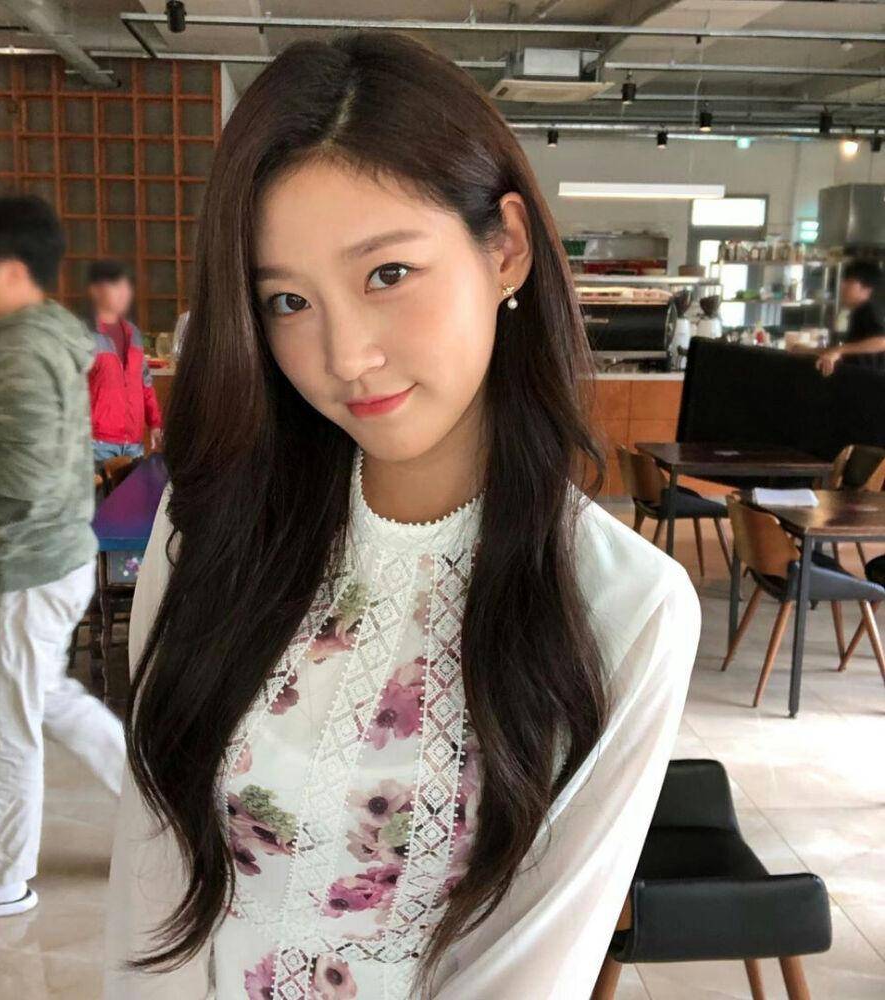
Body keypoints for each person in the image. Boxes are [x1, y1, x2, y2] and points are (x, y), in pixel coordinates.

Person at [105, 33, 701, 1000]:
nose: (345, 356)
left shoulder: (624, 606)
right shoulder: (211, 525)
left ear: (505, 248)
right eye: (288, 300)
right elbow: (153, 879)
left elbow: (531, 971)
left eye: (387, 274)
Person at [0, 195, 125, 924]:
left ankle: (3, 879)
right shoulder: (40, 334)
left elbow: (28, 473)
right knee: (46, 698)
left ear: (11, 269)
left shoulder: (16, 349)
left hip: (22, 563)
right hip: (47, 554)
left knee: (4, 723)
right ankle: (160, 817)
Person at [86, 259, 163, 467]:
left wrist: (155, 424)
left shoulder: (134, 333)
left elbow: (145, 385)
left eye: (125, 286)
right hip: (98, 444)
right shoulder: (85, 334)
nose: (123, 292)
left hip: (134, 444)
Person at [813, 260, 885, 376]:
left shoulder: (869, 311)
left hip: (869, 381)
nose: (842, 285)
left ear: (866, 289)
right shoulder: (860, 311)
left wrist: (839, 350)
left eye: (849, 281)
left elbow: (882, 342)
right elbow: (852, 351)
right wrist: (803, 350)